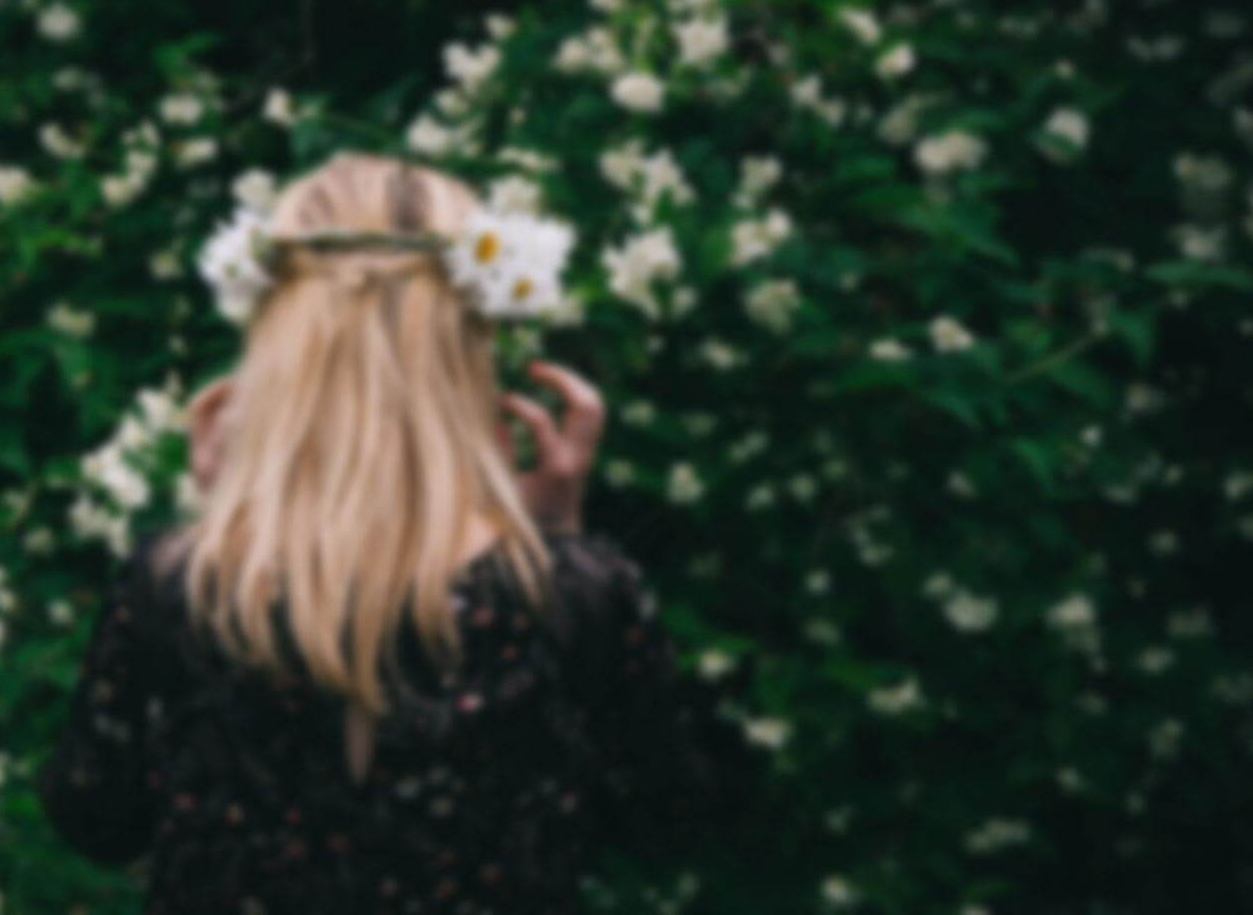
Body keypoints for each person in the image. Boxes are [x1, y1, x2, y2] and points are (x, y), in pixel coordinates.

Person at [38, 152, 743, 912]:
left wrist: (224, 530)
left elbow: (97, 819)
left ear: (278, 346)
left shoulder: (178, 583)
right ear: (466, 344)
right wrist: (558, 542)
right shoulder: (575, 592)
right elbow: (665, 822)